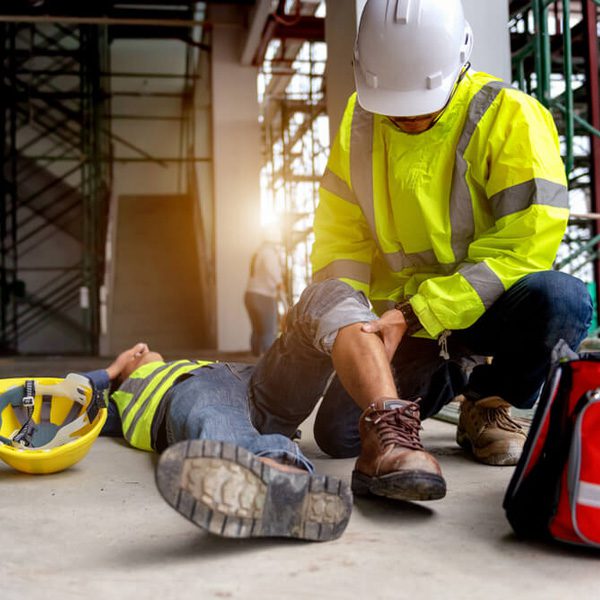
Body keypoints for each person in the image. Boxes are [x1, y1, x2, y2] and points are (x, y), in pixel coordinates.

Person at [247, 0, 593, 503]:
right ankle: (456, 376)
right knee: (341, 436)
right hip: (398, 324)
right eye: (395, 105)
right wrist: (352, 325)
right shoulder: (359, 122)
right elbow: (342, 238)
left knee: (563, 299)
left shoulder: (511, 117)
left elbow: (525, 246)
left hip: (480, 310)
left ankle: (489, 402)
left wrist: (417, 313)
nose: (407, 117)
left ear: (460, 62)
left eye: (422, 103)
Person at [96, 343, 352, 541]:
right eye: (133, 354)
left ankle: (274, 478)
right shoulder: (118, 398)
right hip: (199, 390)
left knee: (308, 332)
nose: (143, 349)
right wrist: (110, 372)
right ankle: (281, 475)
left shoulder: (184, 363)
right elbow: (66, 402)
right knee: (215, 413)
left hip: (246, 381)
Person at [244, 236, 287, 356]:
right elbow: (271, 268)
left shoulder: (258, 251)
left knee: (257, 331)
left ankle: (252, 361)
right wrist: (279, 282)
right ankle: (270, 363)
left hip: (250, 295)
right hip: (263, 296)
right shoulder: (269, 252)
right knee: (269, 332)